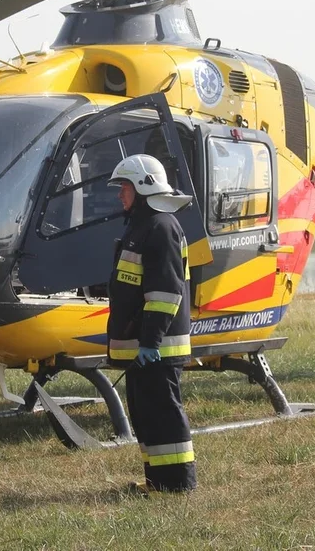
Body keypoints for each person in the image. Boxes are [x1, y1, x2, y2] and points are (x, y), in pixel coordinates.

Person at [106, 153, 197, 494]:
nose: (120, 195)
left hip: (156, 348)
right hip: (142, 347)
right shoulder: (143, 226)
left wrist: (151, 341)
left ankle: (177, 486)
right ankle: (158, 483)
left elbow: (165, 292)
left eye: (124, 188)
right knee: (146, 417)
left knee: (163, 415)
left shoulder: (161, 226)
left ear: (143, 187)